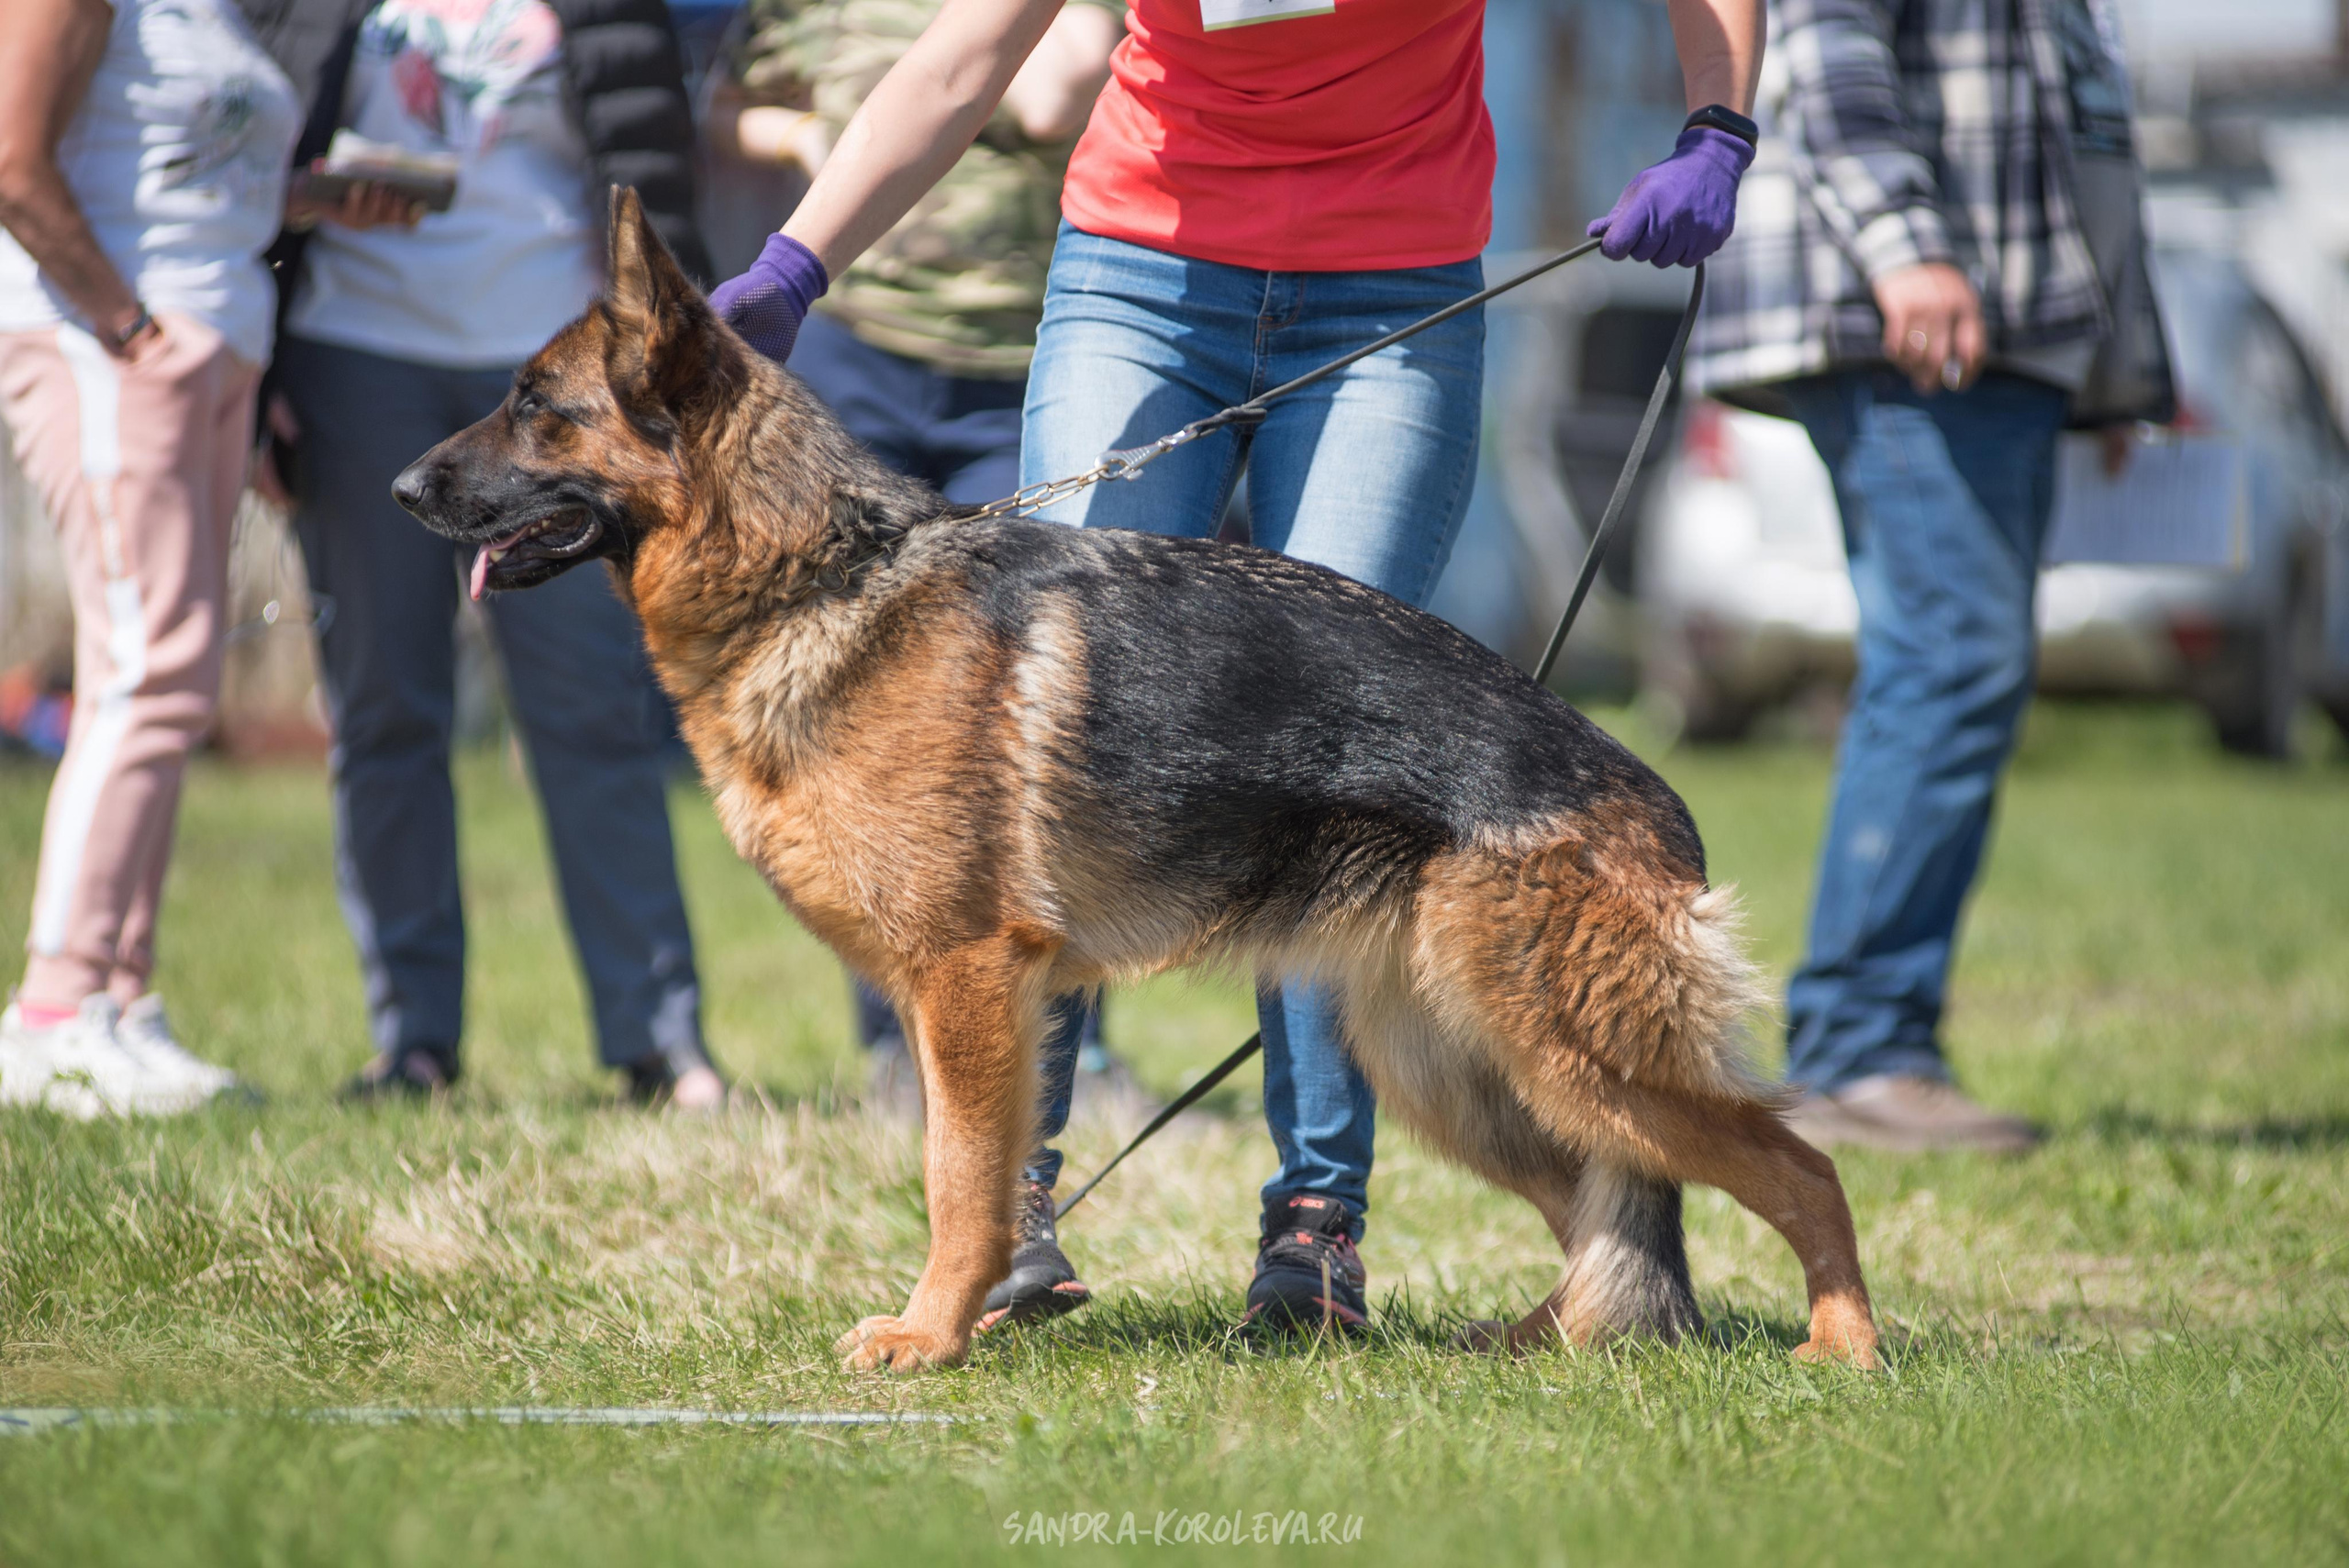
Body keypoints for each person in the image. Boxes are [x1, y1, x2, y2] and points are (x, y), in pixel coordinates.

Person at [706, 0, 1764, 1330]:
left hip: (1397, 281)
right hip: (1142, 273)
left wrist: (1716, 127)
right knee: (1041, 745)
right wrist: (796, 264)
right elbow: (962, 55)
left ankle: (1315, 1228)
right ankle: (1008, 1222)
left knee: (1350, 760)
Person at [1689, 0, 2174, 1151]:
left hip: (2004, 323)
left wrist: (2115, 359)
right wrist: (1905, 244)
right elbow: (1827, 47)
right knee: (1951, 657)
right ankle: (1861, 1044)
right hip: (1914, 313)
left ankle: (1868, 1035)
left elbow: (2074, 114)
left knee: (1960, 660)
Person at [715, 0, 1133, 1329]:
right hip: (858, 351)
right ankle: (935, 1104)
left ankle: (1069, 1087)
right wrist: (800, 142)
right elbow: (724, 103)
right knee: (883, 782)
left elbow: (1055, 94)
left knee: (1050, 763)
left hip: (1018, 348)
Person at [249, 0, 726, 1106]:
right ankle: (412, 1040)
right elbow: (247, 158)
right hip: (355, 357)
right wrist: (261, 371)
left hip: (560, 382)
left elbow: (656, 171)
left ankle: (660, 1040)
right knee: (383, 710)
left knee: (592, 711)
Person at [0, 0, 406, 1117]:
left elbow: (181, 173)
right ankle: (52, 1012)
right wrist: (130, 327)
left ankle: (118, 1002)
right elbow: (14, 160)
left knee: (172, 677)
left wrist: (314, 199)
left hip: (208, 345)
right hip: (108, 344)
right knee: (142, 666)